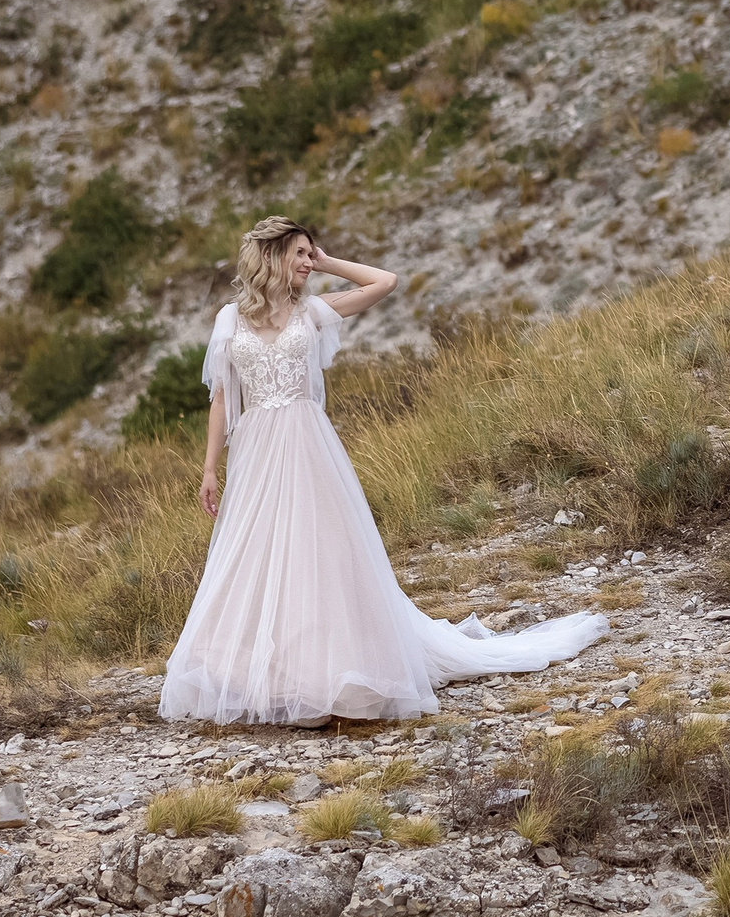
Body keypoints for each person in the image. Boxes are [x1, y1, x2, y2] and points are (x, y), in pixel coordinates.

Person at [159, 216, 605, 724]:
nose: (308, 262)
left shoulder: (314, 311)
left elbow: (384, 282)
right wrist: (210, 468)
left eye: (311, 254)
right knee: (253, 550)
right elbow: (220, 399)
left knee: (318, 550)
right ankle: (258, 671)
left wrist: (329, 263)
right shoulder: (229, 320)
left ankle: (331, 672)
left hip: (307, 443)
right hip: (257, 449)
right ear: (273, 256)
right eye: (301, 254)